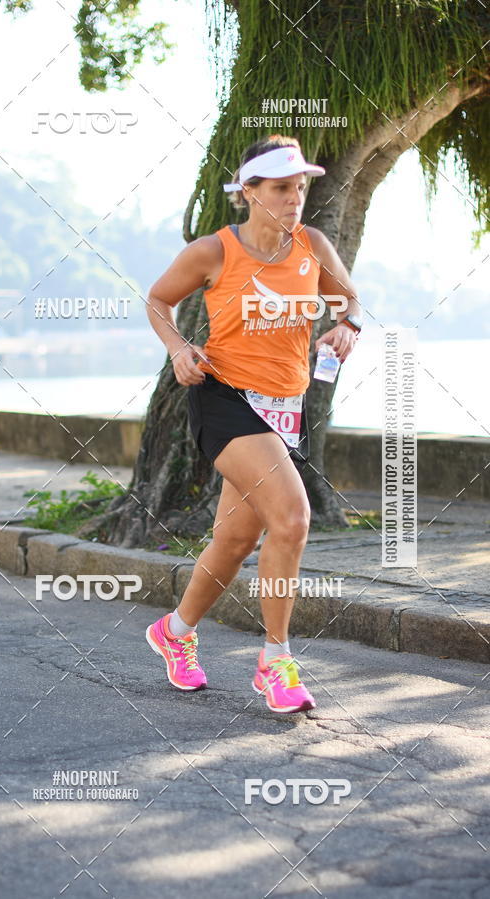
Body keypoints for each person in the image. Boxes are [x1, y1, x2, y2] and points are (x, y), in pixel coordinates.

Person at [144, 134, 361, 714]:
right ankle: (275, 661)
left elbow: (348, 301)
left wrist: (347, 328)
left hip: (284, 408)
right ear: (248, 193)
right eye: (284, 188)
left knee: (236, 539)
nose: (296, 197)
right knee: (291, 518)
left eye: (301, 187)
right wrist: (178, 348)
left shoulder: (311, 245)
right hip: (225, 399)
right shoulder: (213, 251)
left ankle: (176, 630)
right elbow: (158, 301)